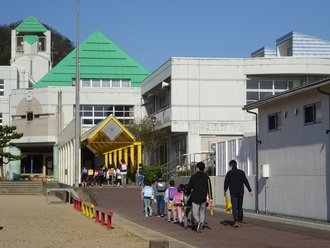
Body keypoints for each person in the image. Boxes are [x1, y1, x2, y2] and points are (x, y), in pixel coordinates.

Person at [224, 159, 253, 228]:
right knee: (240, 207)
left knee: (234, 207)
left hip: (233, 193)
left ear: (231, 166)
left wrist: (225, 190)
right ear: (236, 165)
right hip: (241, 192)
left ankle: (236, 221)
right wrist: (250, 190)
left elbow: (226, 183)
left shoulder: (229, 173)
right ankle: (240, 220)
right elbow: (246, 182)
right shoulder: (241, 172)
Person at [187, 161, 213, 233]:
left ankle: (198, 222)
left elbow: (189, 187)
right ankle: (202, 223)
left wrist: (187, 193)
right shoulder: (207, 177)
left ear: (198, 168)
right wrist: (210, 197)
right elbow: (209, 188)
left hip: (195, 197)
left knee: (195, 213)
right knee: (202, 212)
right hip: (203, 197)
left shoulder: (193, 177)